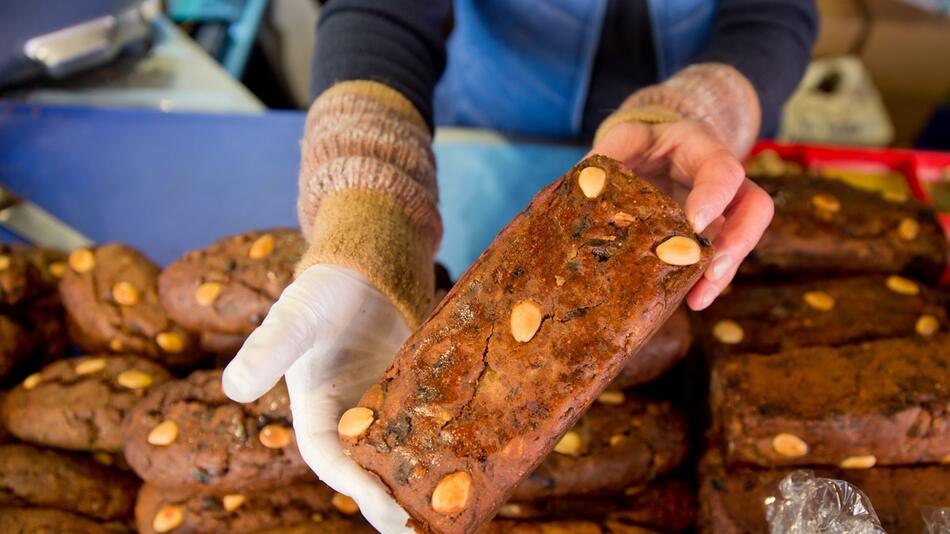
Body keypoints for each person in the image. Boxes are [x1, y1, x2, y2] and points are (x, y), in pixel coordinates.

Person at [223, 1, 817, 532]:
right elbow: (382, 11)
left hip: (695, 159)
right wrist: (372, 219)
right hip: (487, 122)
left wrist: (703, 107)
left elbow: (776, 13)